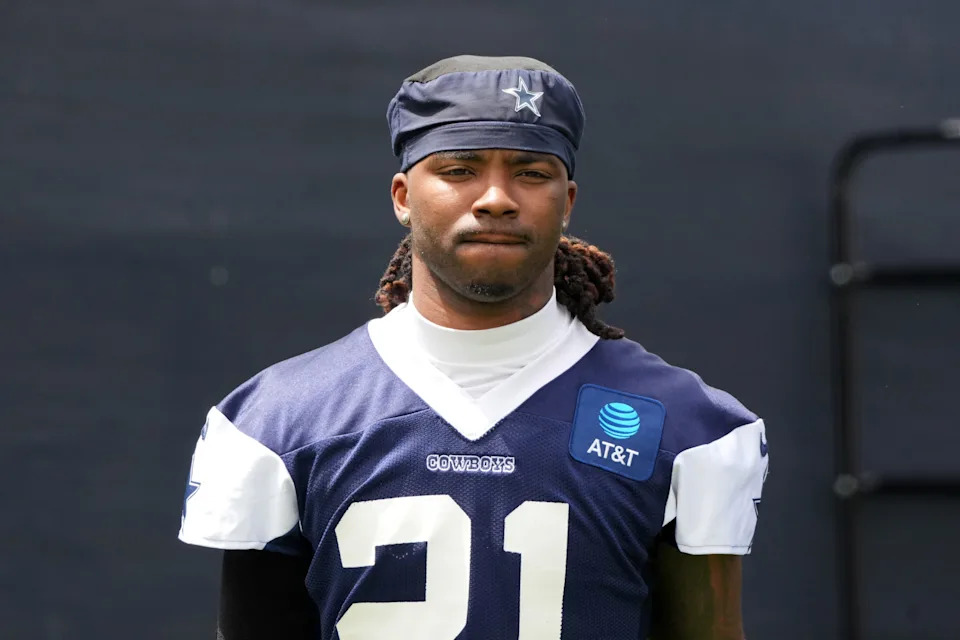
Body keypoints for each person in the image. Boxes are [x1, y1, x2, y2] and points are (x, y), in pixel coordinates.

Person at [179, 54, 769, 640]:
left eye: (531, 173)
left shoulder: (688, 427)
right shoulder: (280, 420)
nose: (495, 198)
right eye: (460, 170)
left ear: (567, 202)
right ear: (403, 196)